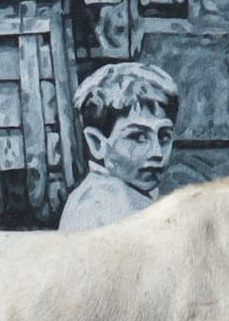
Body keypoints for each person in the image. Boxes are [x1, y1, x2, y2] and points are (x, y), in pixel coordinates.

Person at [59, 61, 181, 231]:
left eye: (164, 136)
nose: (157, 152)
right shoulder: (98, 205)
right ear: (97, 143)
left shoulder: (133, 193)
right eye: (137, 137)